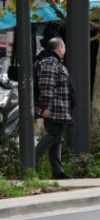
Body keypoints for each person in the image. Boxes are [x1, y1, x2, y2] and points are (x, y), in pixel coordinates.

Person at [34, 37, 72, 180]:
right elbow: (46, 85)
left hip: (59, 107)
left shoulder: (53, 61)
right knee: (55, 133)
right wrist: (46, 107)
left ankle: (58, 171)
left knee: (57, 136)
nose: (65, 50)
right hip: (54, 107)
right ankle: (31, 161)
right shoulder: (50, 62)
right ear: (59, 48)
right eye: (64, 47)